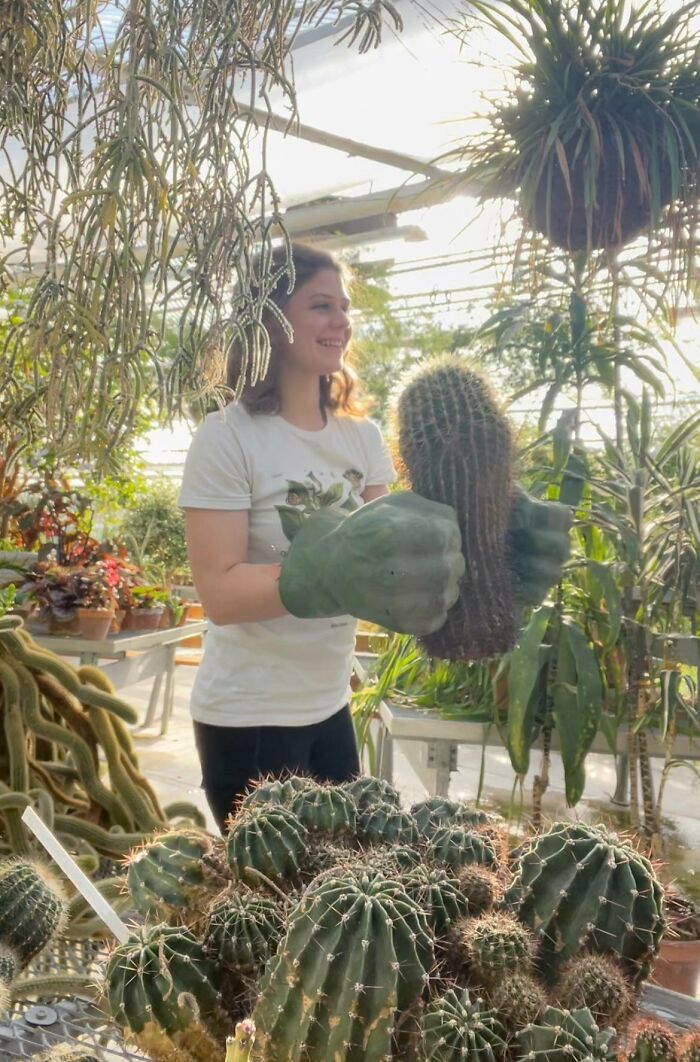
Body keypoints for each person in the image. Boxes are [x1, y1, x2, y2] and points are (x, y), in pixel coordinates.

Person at [179, 242, 569, 833]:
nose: (341, 321)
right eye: (320, 306)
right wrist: (329, 567)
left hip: (332, 707)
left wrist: (499, 538)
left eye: (343, 306)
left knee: (342, 906)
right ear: (270, 320)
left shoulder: (360, 439)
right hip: (248, 718)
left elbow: (398, 568)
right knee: (277, 910)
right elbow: (221, 595)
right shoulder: (227, 437)